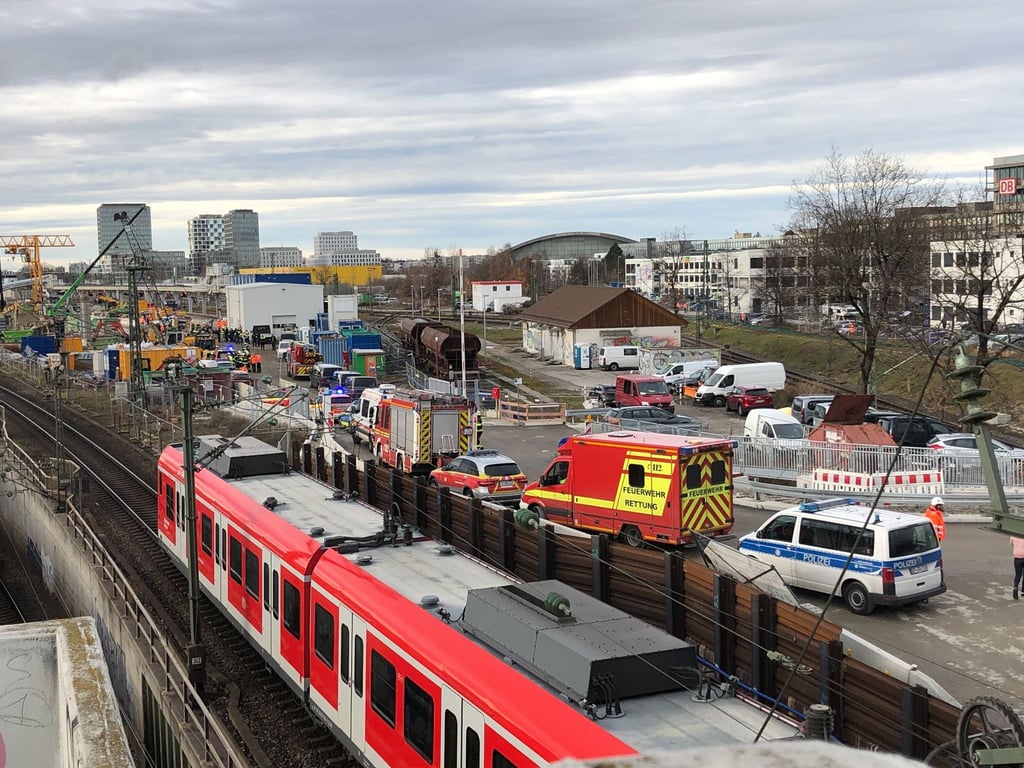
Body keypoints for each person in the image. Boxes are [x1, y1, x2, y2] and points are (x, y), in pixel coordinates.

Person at [1012, 536, 1024, 600]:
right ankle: (1023, 591)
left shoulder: (1013, 535)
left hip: (1017, 558)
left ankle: (1015, 588)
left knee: (1018, 575)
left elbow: (1012, 544)